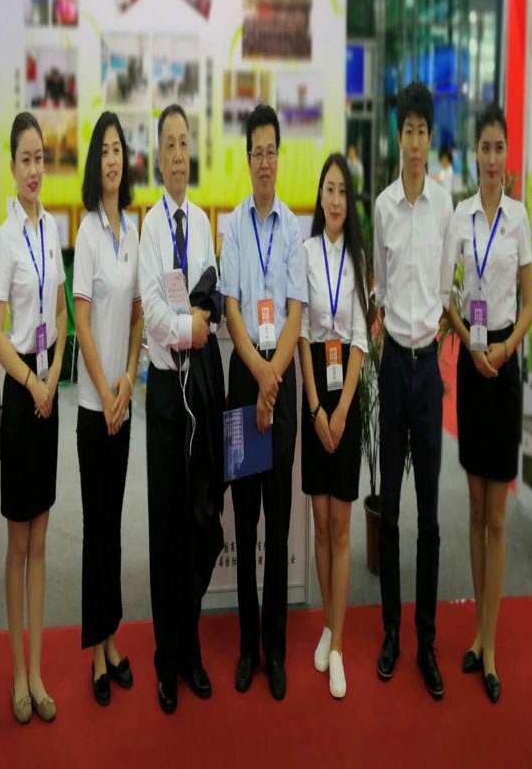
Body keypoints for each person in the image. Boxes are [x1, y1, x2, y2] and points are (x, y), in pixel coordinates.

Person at [220, 103, 307, 701]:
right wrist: (258, 373)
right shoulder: (233, 225)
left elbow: (296, 310)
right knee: (245, 517)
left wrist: (275, 376)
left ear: (280, 156)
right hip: (245, 375)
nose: (266, 162)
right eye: (258, 152)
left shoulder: (293, 228)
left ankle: (275, 648)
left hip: (282, 372)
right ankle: (248, 646)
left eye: (273, 151)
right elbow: (230, 307)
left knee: (278, 522)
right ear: (247, 157)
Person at [139, 104, 224, 715]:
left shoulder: (201, 222)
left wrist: (198, 322)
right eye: (168, 144)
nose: (177, 154)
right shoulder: (150, 227)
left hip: (201, 392)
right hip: (167, 396)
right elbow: (153, 312)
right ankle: (165, 658)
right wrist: (188, 330)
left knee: (199, 522)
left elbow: (210, 300)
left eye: (184, 142)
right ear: (157, 156)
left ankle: (192, 649)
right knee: (165, 526)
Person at [447, 105, 532, 703]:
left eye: (500, 148)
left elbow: (529, 303)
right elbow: (448, 297)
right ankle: (477, 633)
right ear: (474, 153)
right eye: (485, 147)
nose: (493, 158)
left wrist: (504, 349)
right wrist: (469, 342)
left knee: (498, 515)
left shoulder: (519, 219)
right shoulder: (460, 217)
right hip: (471, 364)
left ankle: (492, 643)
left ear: (507, 154)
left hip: (503, 367)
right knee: (474, 507)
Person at [373, 81, 453, 699]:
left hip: (429, 372)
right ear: (398, 138)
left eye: (424, 131)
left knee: (429, 516)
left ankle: (426, 640)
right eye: (408, 131)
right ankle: (392, 633)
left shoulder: (446, 207)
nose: (417, 141)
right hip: (393, 366)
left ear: (430, 137)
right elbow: (379, 282)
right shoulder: (382, 207)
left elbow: (446, 288)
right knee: (392, 511)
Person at [0, 111, 67, 725]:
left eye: (41, 158)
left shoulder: (52, 229)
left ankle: (38, 672)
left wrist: (55, 373)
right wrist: (32, 382)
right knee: (17, 543)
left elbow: (61, 316)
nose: (35, 169)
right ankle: (17, 672)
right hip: (21, 398)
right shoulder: (5, 238)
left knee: (42, 540)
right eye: (26, 160)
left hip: (48, 394)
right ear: (11, 166)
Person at [73, 112, 143, 707]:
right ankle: (95, 650)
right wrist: (104, 390)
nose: (113, 159)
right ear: (96, 163)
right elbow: (81, 322)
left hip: (122, 399)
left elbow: (138, 315)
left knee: (114, 526)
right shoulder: (88, 233)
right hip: (94, 411)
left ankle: (113, 637)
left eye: (118, 149)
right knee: (96, 529)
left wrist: (128, 380)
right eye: (105, 150)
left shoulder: (134, 229)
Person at [298, 153, 368, 699]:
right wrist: (316, 408)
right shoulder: (306, 253)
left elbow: (362, 338)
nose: (336, 199)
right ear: (320, 197)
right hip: (314, 389)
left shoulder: (357, 257)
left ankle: (339, 645)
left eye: (343, 190)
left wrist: (341, 410)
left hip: (346, 389)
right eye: (329, 189)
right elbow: (301, 335)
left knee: (342, 526)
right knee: (320, 524)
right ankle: (327, 622)